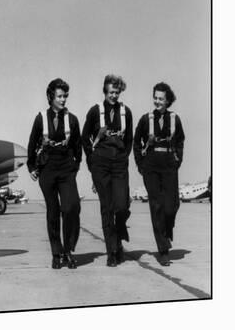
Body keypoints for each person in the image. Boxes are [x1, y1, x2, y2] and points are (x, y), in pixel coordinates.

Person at [27, 78, 82, 269]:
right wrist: (32, 167)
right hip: (48, 168)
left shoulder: (72, 119)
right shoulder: (41, 118)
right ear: (51, 97)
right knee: (53, 211)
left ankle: (68, 250)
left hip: (66, 168)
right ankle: (56, 254)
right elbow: (32, 142)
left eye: (65, 96)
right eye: (59, 96)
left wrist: (75, 167)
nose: (63, 99)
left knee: (71, 207)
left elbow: (77, 147)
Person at [82, 74, 133, 267]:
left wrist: (123, 157)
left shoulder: (126, 111)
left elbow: (130, 140)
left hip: (119, 164)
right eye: (111, 92)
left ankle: (120, 233)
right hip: (100, 164)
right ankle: (112, 251)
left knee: (121, 206)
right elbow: (84, 136)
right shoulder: (95, 111)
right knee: (107, 208)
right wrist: (92, 159)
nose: (114, 95)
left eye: (117, 92)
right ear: (105, 91)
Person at [133, 82, 185, 266]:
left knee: (172, 205)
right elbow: (136, 141)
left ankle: (167, 230)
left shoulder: (175, 119)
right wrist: (141, 164)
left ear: (168, 100)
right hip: (151, 166)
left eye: (161, 98)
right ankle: (163, 249)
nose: (157, 101)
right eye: (155, 98)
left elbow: (180, 141)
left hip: (169, 164)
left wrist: (177, 162)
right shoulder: (145, 119)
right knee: (156, 206)